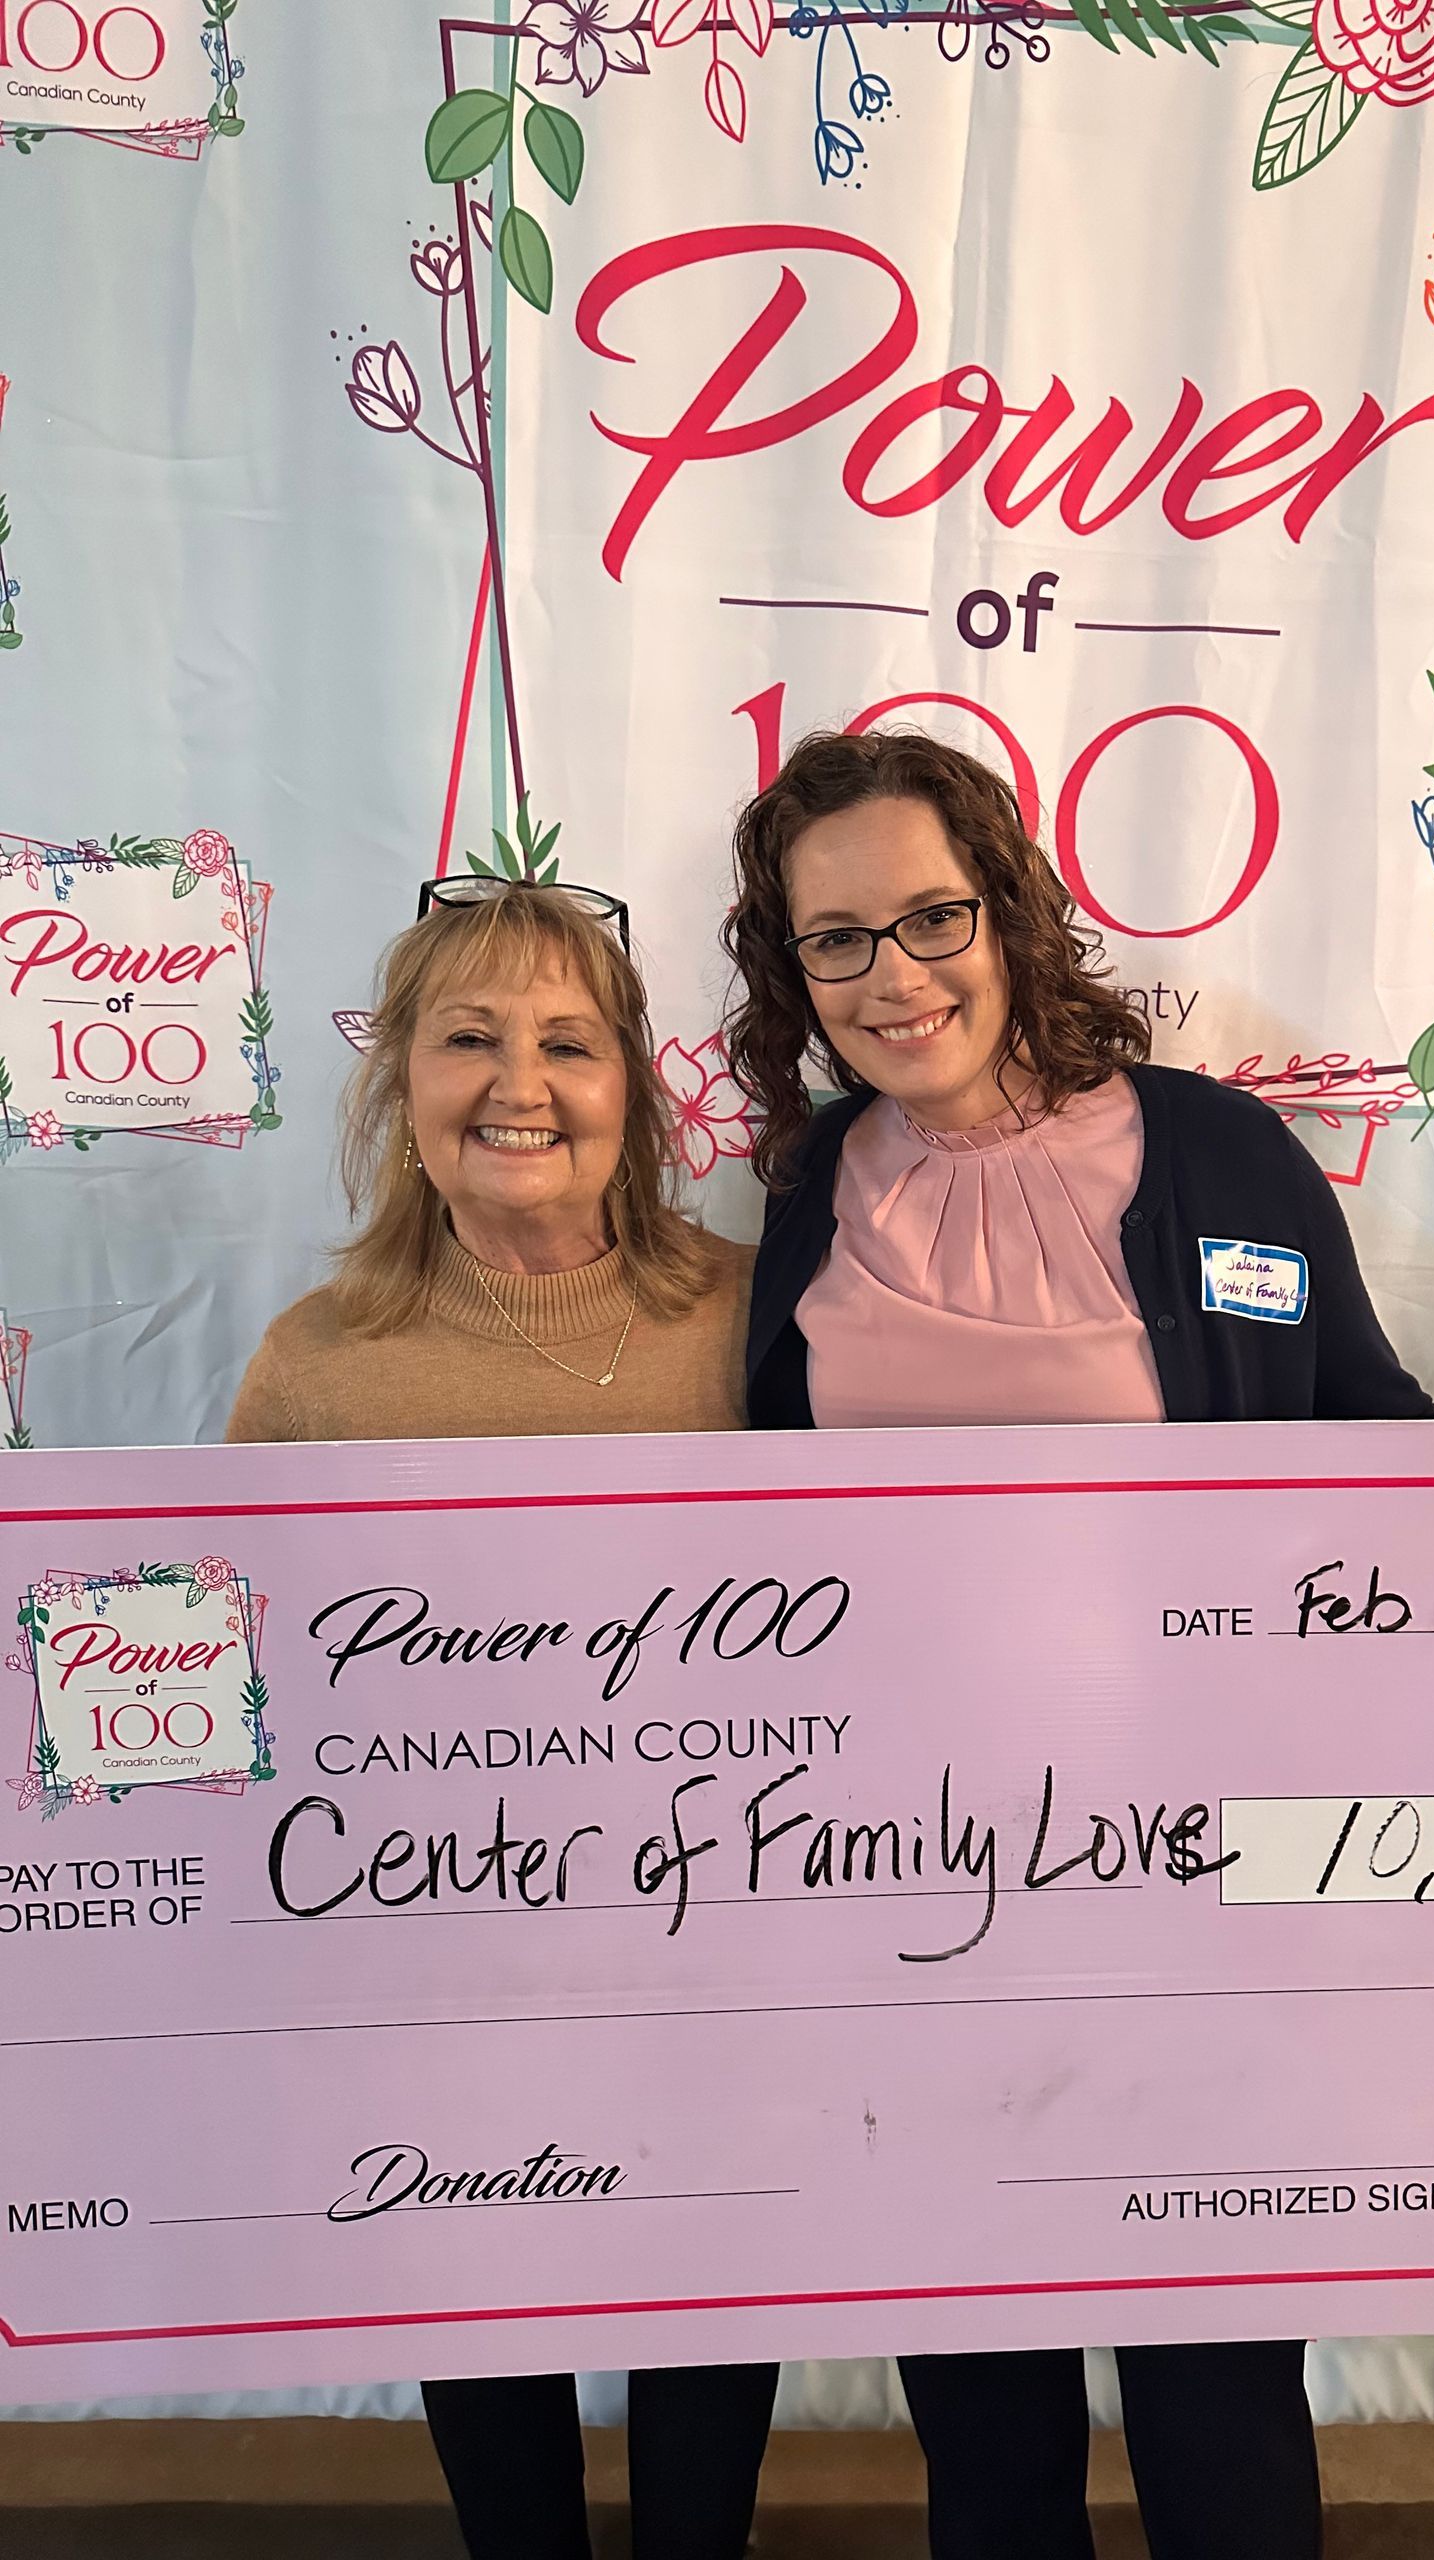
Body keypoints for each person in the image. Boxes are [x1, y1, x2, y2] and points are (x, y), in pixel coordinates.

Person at [720, 725, 1434, 2560]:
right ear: (789, 970)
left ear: (1009, 911)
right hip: (913, 1891)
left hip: (1204, 1879)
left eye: (930, 916)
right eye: (837, 940)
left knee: (1216, 2389)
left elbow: (1380, 1441)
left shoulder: (1214, 1154)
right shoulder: (809, 1193)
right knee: (980, 2408)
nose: (894, 975)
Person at [227, 876, 776, 2560]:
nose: (518, 1082)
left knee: (707, 2309)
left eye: (568, 1040)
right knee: (480, 2312)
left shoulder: (767, 1317)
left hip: (730, 1952)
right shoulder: (319, 1364)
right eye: (468, 1037)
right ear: (400, 1082)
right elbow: (233, 1690)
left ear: (639, 1087)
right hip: (437, 1980)